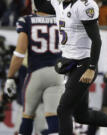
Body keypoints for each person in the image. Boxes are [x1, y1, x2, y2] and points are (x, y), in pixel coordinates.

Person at [51, 0, 107, 135]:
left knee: (64, 109)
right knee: (82, 116)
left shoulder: (83, 6)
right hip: (71, 64)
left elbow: (96, 40)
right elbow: (40, 5)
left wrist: (91, 68)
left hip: (84, 65)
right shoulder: (58, 3)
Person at [3, 0, 64, 134]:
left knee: (27, 116)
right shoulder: (63, 20)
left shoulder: (27, 21)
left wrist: (10, 77)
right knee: (53, 118)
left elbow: (19, 54)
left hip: (35, 73)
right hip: (57, 74)